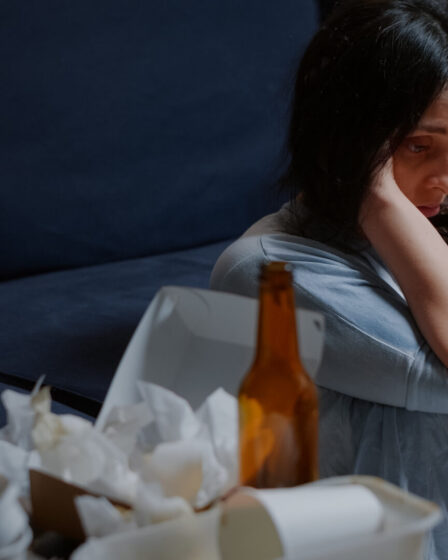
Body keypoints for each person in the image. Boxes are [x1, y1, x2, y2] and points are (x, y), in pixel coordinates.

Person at [211, 1, 448, 557]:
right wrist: (378, 197)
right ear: (348, 145)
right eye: (419, 145)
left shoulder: (426, 228)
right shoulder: (264, 273)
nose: (445, 179)